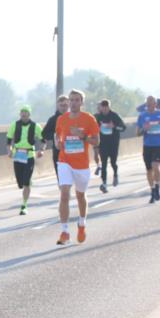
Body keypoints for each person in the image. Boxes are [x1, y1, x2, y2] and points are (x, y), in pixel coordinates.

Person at [54, 89, 100, 245]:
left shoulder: (89, 119)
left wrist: (83, 136)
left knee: (80, 196)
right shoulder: (62, 119)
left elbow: (96, 141)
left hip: (81, 165)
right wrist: (57, 143)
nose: (73, 103)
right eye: (71, 100)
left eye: (76, 100)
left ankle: (81, 224)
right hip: (64, 161)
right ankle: (65, 231)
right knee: (64, 194)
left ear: (82, 102)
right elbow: (57, 136)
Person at [6, 105, 45, 214]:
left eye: (26, 112)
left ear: (29, 114)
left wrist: (41, 150)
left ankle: (24, 206)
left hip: (29, 155)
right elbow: (8, 140)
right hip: (18, 155)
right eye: (22, 112)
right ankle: (25, 182)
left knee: (26, 182)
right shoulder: (14, 125)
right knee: (20, 183)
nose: (24, 114)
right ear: (20, 114)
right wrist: (9, 151)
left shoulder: (35, 126)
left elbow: (43, 140)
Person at [136, 96, 160, 203]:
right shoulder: (142, 116)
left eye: (151, 103)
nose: (150, 105)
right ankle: (152, 190)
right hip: (147, 145)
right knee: (149, 170)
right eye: (148, 103)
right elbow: (137, 133)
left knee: (156, 166)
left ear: (155, 104)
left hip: (159, 144)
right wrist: (144, 129)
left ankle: (157, 187)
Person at [94, 99, 127, 193]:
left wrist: (114, 126)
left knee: (113, 162)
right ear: (101, 107)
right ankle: (104, 184)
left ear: (109, 107)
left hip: (113, 143)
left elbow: (123, 128)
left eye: (106, 107)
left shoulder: (114, 116)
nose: (104, 109)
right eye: (102, 107)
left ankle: (115, 175)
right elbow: (91, 128)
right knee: (103, 164)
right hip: (102, 143)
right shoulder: (97, 117)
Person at [42, 94, 70, 177]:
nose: (63, 107)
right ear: (58, 106)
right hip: (58, 152)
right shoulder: (53, 119)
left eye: (65, 105)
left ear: (69, 105)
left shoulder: (73, 117)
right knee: (61, 179)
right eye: (61, 105)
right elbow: (44, 134)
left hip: (73, 152)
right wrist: (55, 135)